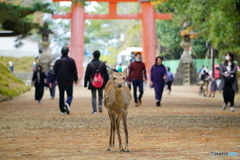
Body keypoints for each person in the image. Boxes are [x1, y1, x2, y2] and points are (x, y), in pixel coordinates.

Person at [49, 47, 78, 115]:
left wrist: (51, 81)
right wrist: (75, 79)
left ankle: (62, 110)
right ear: (68, 52)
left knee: (61, 95)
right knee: (70, 95)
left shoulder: (58, 62)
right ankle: (67, 103)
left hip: (61, 81)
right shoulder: (71, 61)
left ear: (61, 52)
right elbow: (75, 71)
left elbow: (54, 72)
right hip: (69, 81)